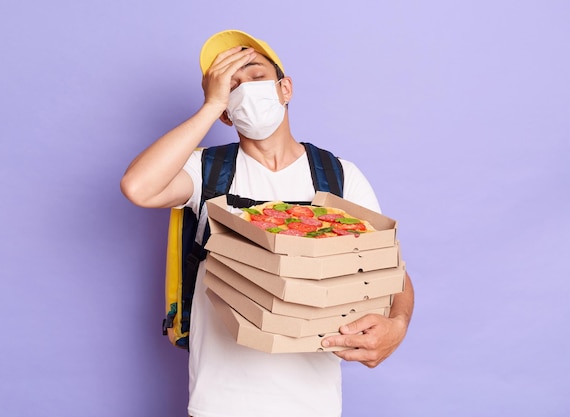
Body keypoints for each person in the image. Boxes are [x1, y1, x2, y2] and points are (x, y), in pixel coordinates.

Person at [121, 29, 414, 417]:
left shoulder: (338, 176)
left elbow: (390, 273)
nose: (245, 89)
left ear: (285, 88)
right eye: (231, 84)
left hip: (315, 404)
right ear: (226, 109)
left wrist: (398, 325)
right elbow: (138, 187)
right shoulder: (207, 171)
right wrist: (210, 105)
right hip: (219, 403)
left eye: (255, 75)